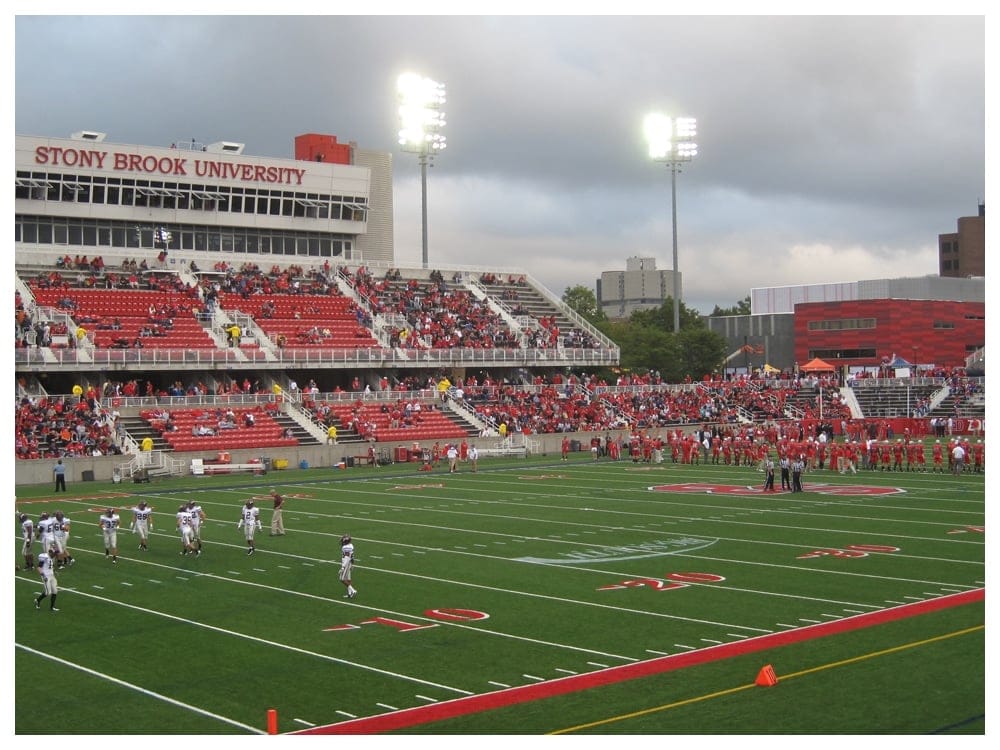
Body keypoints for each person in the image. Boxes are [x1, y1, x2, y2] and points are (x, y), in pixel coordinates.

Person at [34, 545, 60, 612]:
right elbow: (39, 567)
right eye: (54, 553)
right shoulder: (44, 557)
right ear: (51, 552)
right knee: (47, 592)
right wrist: (44, 576)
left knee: (55, 591)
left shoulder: (51, 557)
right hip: (46, 576)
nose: (55, 554)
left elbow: (50, 566)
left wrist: (54, 571)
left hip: (52, 576)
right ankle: (37, 600)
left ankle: (52, 607)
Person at [339, 534, 357, 599]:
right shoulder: (351, 546)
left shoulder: (345, 547)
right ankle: (350, 594)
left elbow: (347, 557)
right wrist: (352, 564)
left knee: (342, 579)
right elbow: (351, 557)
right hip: (349, 563)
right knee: (348, 579)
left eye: (343, 541)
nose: (342, 542)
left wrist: (343, 567)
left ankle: (353, 590)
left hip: (346, 563)